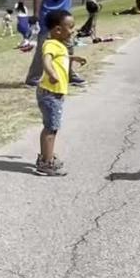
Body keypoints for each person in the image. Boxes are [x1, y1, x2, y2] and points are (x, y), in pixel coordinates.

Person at [35, 9, 88, 177]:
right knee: (51, 129)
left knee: (50, 127)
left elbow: (61, 57)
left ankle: (45, 157)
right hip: (50, 94)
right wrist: (52, 74)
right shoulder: (51, 44)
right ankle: (47, 163)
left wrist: (74, 58)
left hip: (52, 94)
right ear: (58, 29)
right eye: (70, 27)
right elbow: (47, 60)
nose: (73, 30)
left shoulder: (59, 45)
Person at [25, 0, 85, 88]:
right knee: (43, 50)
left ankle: (69, 75)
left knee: (68, 48)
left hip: (63, 22)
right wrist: (36, 14)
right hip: (49, 21)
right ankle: (32, 79)